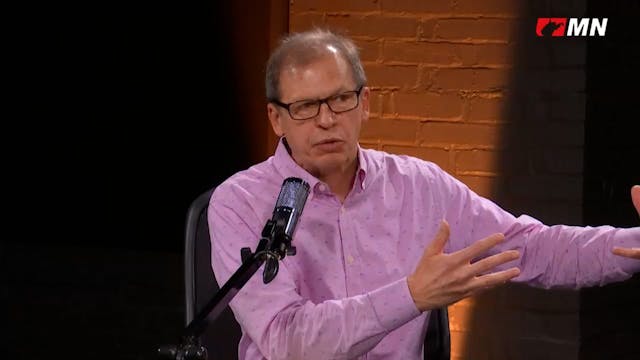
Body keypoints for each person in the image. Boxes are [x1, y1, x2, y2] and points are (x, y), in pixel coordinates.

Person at [208, 28, 639, 360]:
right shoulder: (240, 203)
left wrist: (634, 244)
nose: (326, 120)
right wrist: (411, 296)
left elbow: (534, 248)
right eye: (305, 107)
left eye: (341, 99)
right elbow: (287, 341)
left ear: (366, 103)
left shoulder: (419, 185)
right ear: (276, 118)